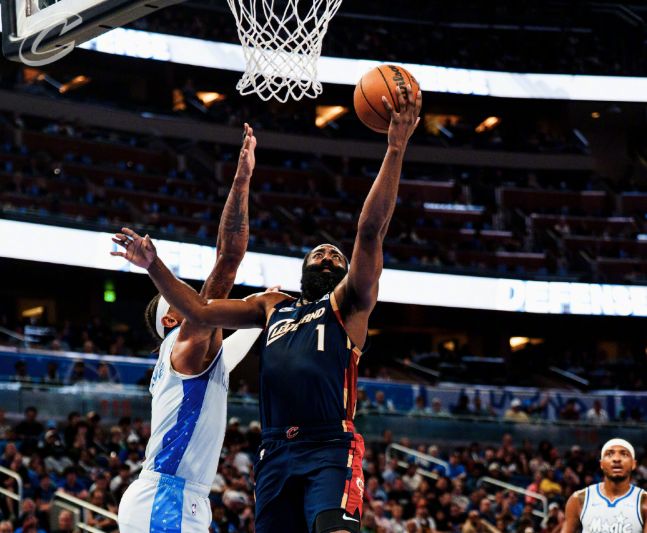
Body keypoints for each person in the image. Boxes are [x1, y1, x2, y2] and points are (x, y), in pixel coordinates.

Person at [111, 85, 422, 533]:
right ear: (172, 320)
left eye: (334, 255)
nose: (327, 256)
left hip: (315, 447)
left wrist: (394, 149)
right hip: (191, 487)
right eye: (319, 253)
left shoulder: (223, 349)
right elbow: (211, 288)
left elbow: (370, 232)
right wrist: (154, 265)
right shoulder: (195, 340)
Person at [116, 125, 265, 533]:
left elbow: (246, 332)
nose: (195, 299)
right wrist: (242, 180)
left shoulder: (201, 356)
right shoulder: (188, 340)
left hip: (179, 498)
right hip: (164, 498)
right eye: (183, 298)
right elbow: (229, 258)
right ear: (171, 319)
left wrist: (271, 306)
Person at [561, 438, 646, 533]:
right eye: (609, 454)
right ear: (601, 464)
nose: (616, 459)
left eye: (624, 454)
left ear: (633, 464)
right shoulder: (579, 499)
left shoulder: (644, 501)